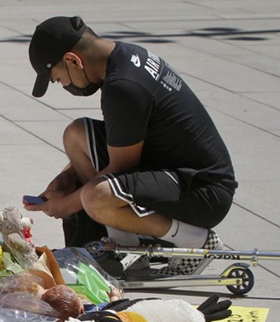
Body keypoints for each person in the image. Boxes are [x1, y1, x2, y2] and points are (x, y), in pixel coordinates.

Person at [24, 16, 237, 277]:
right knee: (77, 134)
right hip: (175, 170)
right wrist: (67, 177)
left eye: (58, 79)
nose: (64, 85)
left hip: (203, 191)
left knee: (96, 197)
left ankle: (196, 241)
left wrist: (65, 205)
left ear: (73, 60)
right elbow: (121, 139)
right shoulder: (123, 57)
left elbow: (121, 166)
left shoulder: (123, 86)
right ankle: (126, 244)